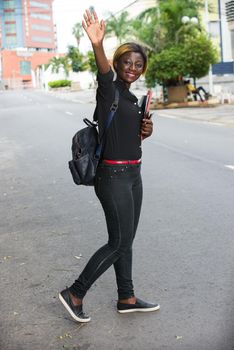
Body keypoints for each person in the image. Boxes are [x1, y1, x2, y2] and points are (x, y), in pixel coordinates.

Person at [59, 8, 160, 323]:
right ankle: (74, 293)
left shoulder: (130, 99)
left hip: (133, 174)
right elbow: (103, 72)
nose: (132, 68)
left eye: (138, 64)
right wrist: (97, 44)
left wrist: (146, 130)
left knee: (125, 239)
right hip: (113, 176)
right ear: (117, 65)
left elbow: (127, 135)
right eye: (127, 63)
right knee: (118, 241)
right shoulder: (110, 90)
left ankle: (126, 297)